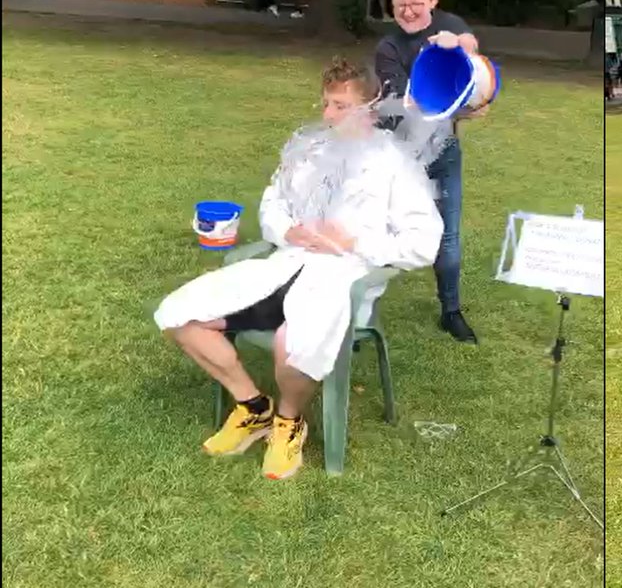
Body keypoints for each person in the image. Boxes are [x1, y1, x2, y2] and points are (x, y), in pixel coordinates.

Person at [155, 58, 443, 480]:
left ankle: (289, 422)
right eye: (326, 103)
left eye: (341, 106)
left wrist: (355, 242)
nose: (328, 115)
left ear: (371, 105)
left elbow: (423, 244)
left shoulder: (395, 164)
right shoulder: (311, 151)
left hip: (341, 280)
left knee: (292, 342)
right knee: (181, 317)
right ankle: (253, 407)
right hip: (283, 267)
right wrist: (288, 230)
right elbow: (273, 202)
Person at [375, 0, 489, 345]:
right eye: (400, 5)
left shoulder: (449, 25)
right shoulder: (388, 47)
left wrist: (458, 45)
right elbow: (400, 103)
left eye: (416, 4)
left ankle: (451, 311)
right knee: (377, 226)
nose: (408, 12)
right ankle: (360, 306)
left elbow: (471, 47)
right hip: (401, 156)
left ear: (433, 0)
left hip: (443, 154)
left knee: (448, 236)